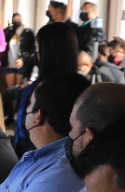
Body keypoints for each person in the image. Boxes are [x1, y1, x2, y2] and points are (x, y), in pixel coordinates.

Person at [12, 21, 80, 155]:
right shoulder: (80, 87)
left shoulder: (39, 89)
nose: (35, 55)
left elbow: (22, 131)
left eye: (37, 50)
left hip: (32, 158)